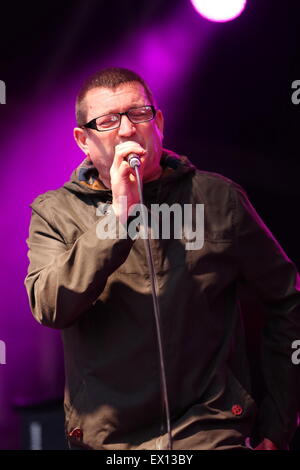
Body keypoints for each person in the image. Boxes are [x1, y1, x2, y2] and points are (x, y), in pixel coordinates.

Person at [25, 67, 300, 450]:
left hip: (211, 431)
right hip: (110, 442)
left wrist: (278, 426)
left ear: (159, 122)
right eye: (107, 121)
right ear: (83, 140)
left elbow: (287, 300)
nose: (126, 130)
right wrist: (119, 219)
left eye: (138, 114)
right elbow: (50, 305)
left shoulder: (218, 199)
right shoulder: (55, 212)